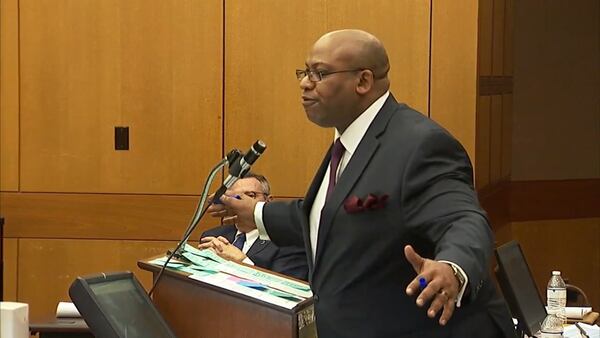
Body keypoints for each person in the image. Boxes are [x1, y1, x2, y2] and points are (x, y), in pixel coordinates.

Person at [209, 30, 516, 337]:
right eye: (304, 72)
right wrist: (257, 213)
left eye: (319, 73)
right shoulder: (348, 142)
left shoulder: (420, 145)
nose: (305, 83)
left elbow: (464, 218)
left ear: (363, 81)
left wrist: (453, 268)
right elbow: (331, 218)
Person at [199, 172, 308, 281]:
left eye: (251, 196)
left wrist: (243, 262)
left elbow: (289, 291)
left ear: (268, 201)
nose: (241, 203)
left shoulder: (288, 243)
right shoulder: (212, 236)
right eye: (236, 197)